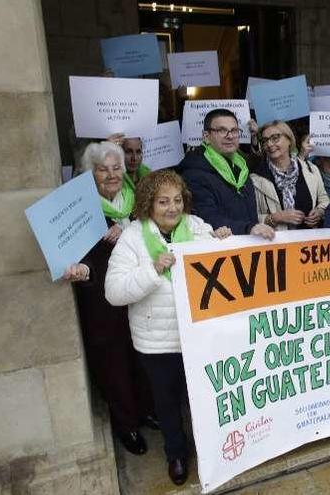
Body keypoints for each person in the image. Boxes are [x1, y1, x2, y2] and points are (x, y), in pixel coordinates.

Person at [105, 170, 233, 485]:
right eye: (163, 202)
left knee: (204, 397)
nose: (172, 208)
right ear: (149, 203)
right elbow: (114, 292)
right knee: (166, 402)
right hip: (158, 343)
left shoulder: (198, 228)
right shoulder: (132, 238)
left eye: (177, 200)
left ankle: (213, 452)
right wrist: (152, 269)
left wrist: (222, 243)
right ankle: (176, 454)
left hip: (199, 336)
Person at [62, 141, 154, 457]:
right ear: (91, 174)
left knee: (141, 354)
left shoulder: (135, 201)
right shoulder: (82, 211)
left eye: (116, 168)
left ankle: (145, 410)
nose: (112, 174)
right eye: (104, 169)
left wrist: (127, 228)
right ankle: (126, 423)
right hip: (103, 302)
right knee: (113, 362)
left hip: (139, 294)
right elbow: (81, 256)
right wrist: (82, 270)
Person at [179, 108, 275, 239]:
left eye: (234, 130)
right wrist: (248, 228)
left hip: (250, 245)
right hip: (221, 250)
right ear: (206, 137)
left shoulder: (242, 166)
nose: (230, 136)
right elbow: (207, 218)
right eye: (222, 130)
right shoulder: (194, 173)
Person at [251, 121, 329, 230]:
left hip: (308, 241)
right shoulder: (257, 178)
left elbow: (324, 199)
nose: (269, 144)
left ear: (289, 140)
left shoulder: (311, 169)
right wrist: (275, 218)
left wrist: (320, 212)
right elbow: (250, 217)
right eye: (265, 141)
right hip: (275, 243)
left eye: (275, 138)